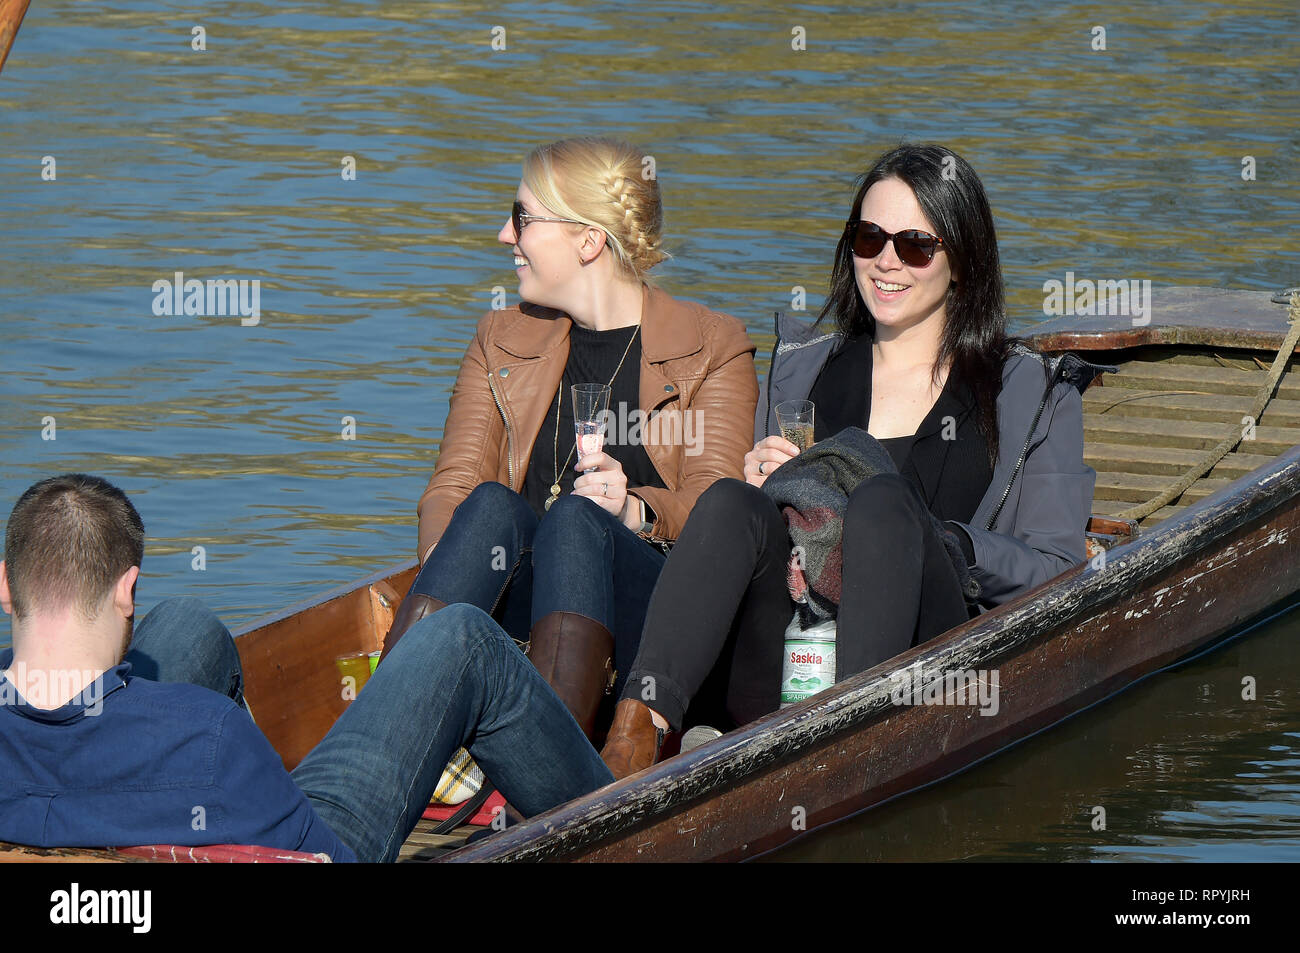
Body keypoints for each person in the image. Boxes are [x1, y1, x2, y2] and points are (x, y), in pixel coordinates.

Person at [600, 144, 1104, 777]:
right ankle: (636, 734)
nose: (887, 262)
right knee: (731, 502)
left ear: (964, 260)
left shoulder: (1031, 392)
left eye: (916, 245)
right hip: (788, 648)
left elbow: (1059, 570)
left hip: (927, 670)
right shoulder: (803, 370)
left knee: (882, 502)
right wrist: (766, 490)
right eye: (870, 239)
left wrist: (952, 544)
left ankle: (850, 749)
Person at [0, 474, 613, 862]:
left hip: (88, 793)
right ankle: (628, 816)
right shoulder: (205, 732)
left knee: (191, 625)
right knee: (464, 638)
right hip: (312, 840)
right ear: (127, 590)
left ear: (6, 588)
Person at [385, 137, 758, 740]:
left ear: (589, 241)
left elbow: (721, 509)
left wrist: (634, 509)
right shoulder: (499, 338)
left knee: (578, 522)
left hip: (644, 623)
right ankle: (392, 722)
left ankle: (546, 756)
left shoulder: (712, 346)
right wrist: (451, 575)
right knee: (487, 507)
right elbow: (451, 488)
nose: (506, 236)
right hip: (525, 606)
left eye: (522, 219)